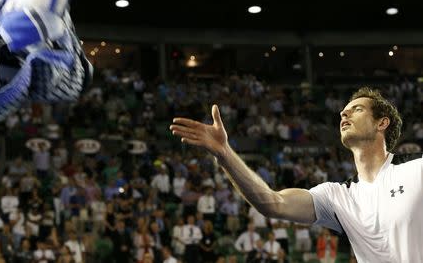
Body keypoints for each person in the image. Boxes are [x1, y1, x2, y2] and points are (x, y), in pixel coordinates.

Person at [170, 87, 423, 262]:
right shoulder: (336, 196)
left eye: (356, 109)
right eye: (343, 111)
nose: (344, 113)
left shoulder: (416, 168)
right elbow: (272, 203)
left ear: (382, 123)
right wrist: (224, 153)